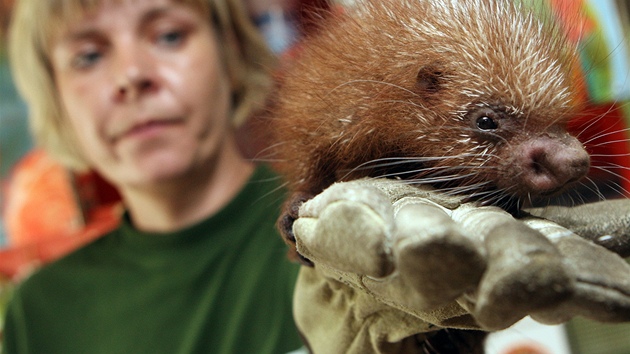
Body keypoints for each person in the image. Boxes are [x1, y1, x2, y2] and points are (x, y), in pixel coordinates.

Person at [2, 0, 303, 353]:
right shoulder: (41, 314)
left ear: (230, 54)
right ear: (56, 99)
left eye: (169, 36)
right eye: (88, 57)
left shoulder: (327, 239)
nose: (131, 75)